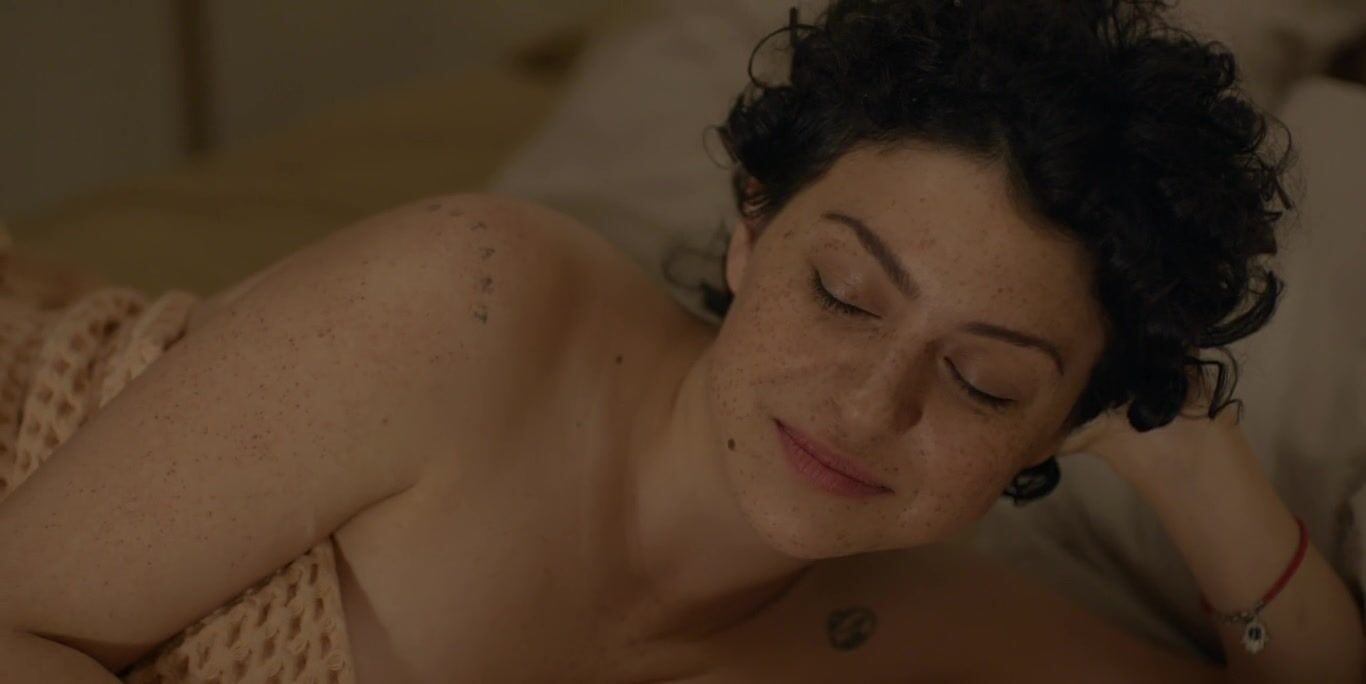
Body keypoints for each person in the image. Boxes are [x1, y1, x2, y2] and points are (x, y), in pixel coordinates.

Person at [1, 0, 1362, 681]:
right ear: (750, 226)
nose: (866, 405)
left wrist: (1194, 462)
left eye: (981, 380)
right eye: (843, 293)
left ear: (1058, 425)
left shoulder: (913, 628)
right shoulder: (475, 298)